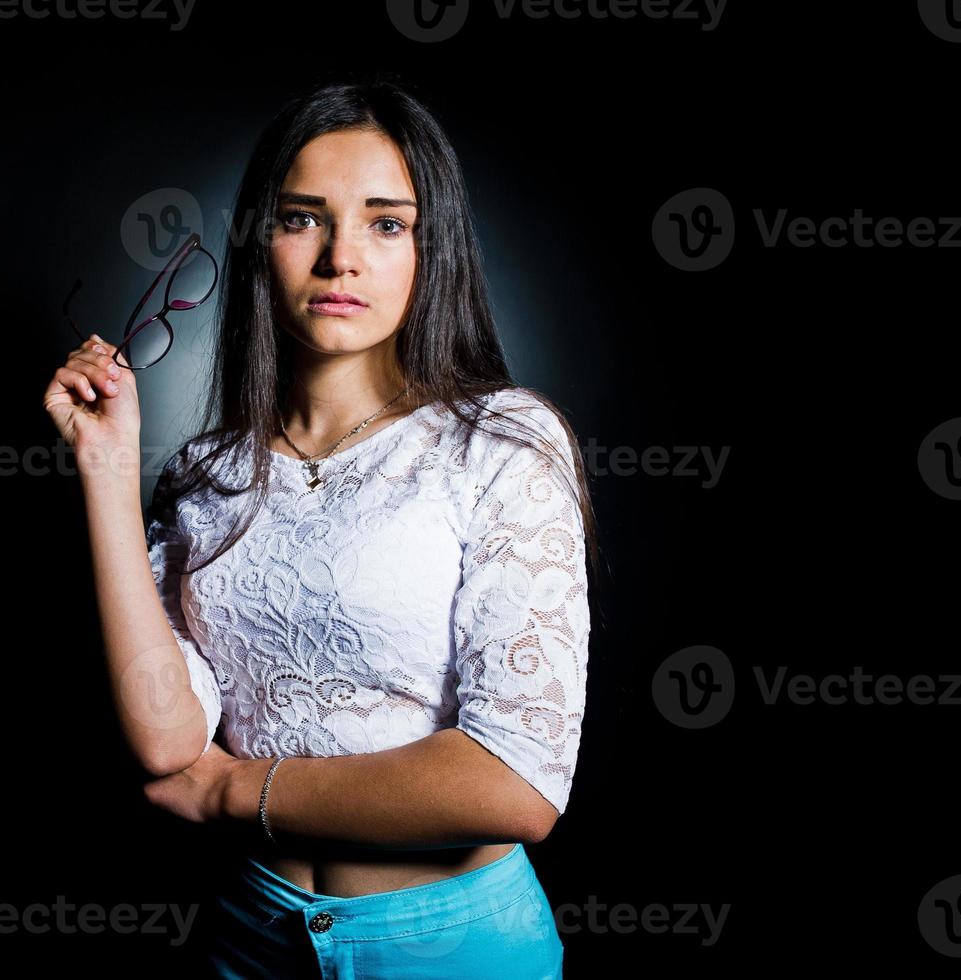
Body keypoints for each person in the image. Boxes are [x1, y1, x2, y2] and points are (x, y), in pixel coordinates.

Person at [42, 75, 598, 979]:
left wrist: (232, 792)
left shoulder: (499, 442)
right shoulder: (205, 477)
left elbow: (516, 784)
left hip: (448, 947)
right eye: (303, 218)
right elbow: (164, 740)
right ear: (260, 243)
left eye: (386, 223)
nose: (342, 257)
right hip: (247, 936)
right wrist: (107, 470)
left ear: (432, 249)